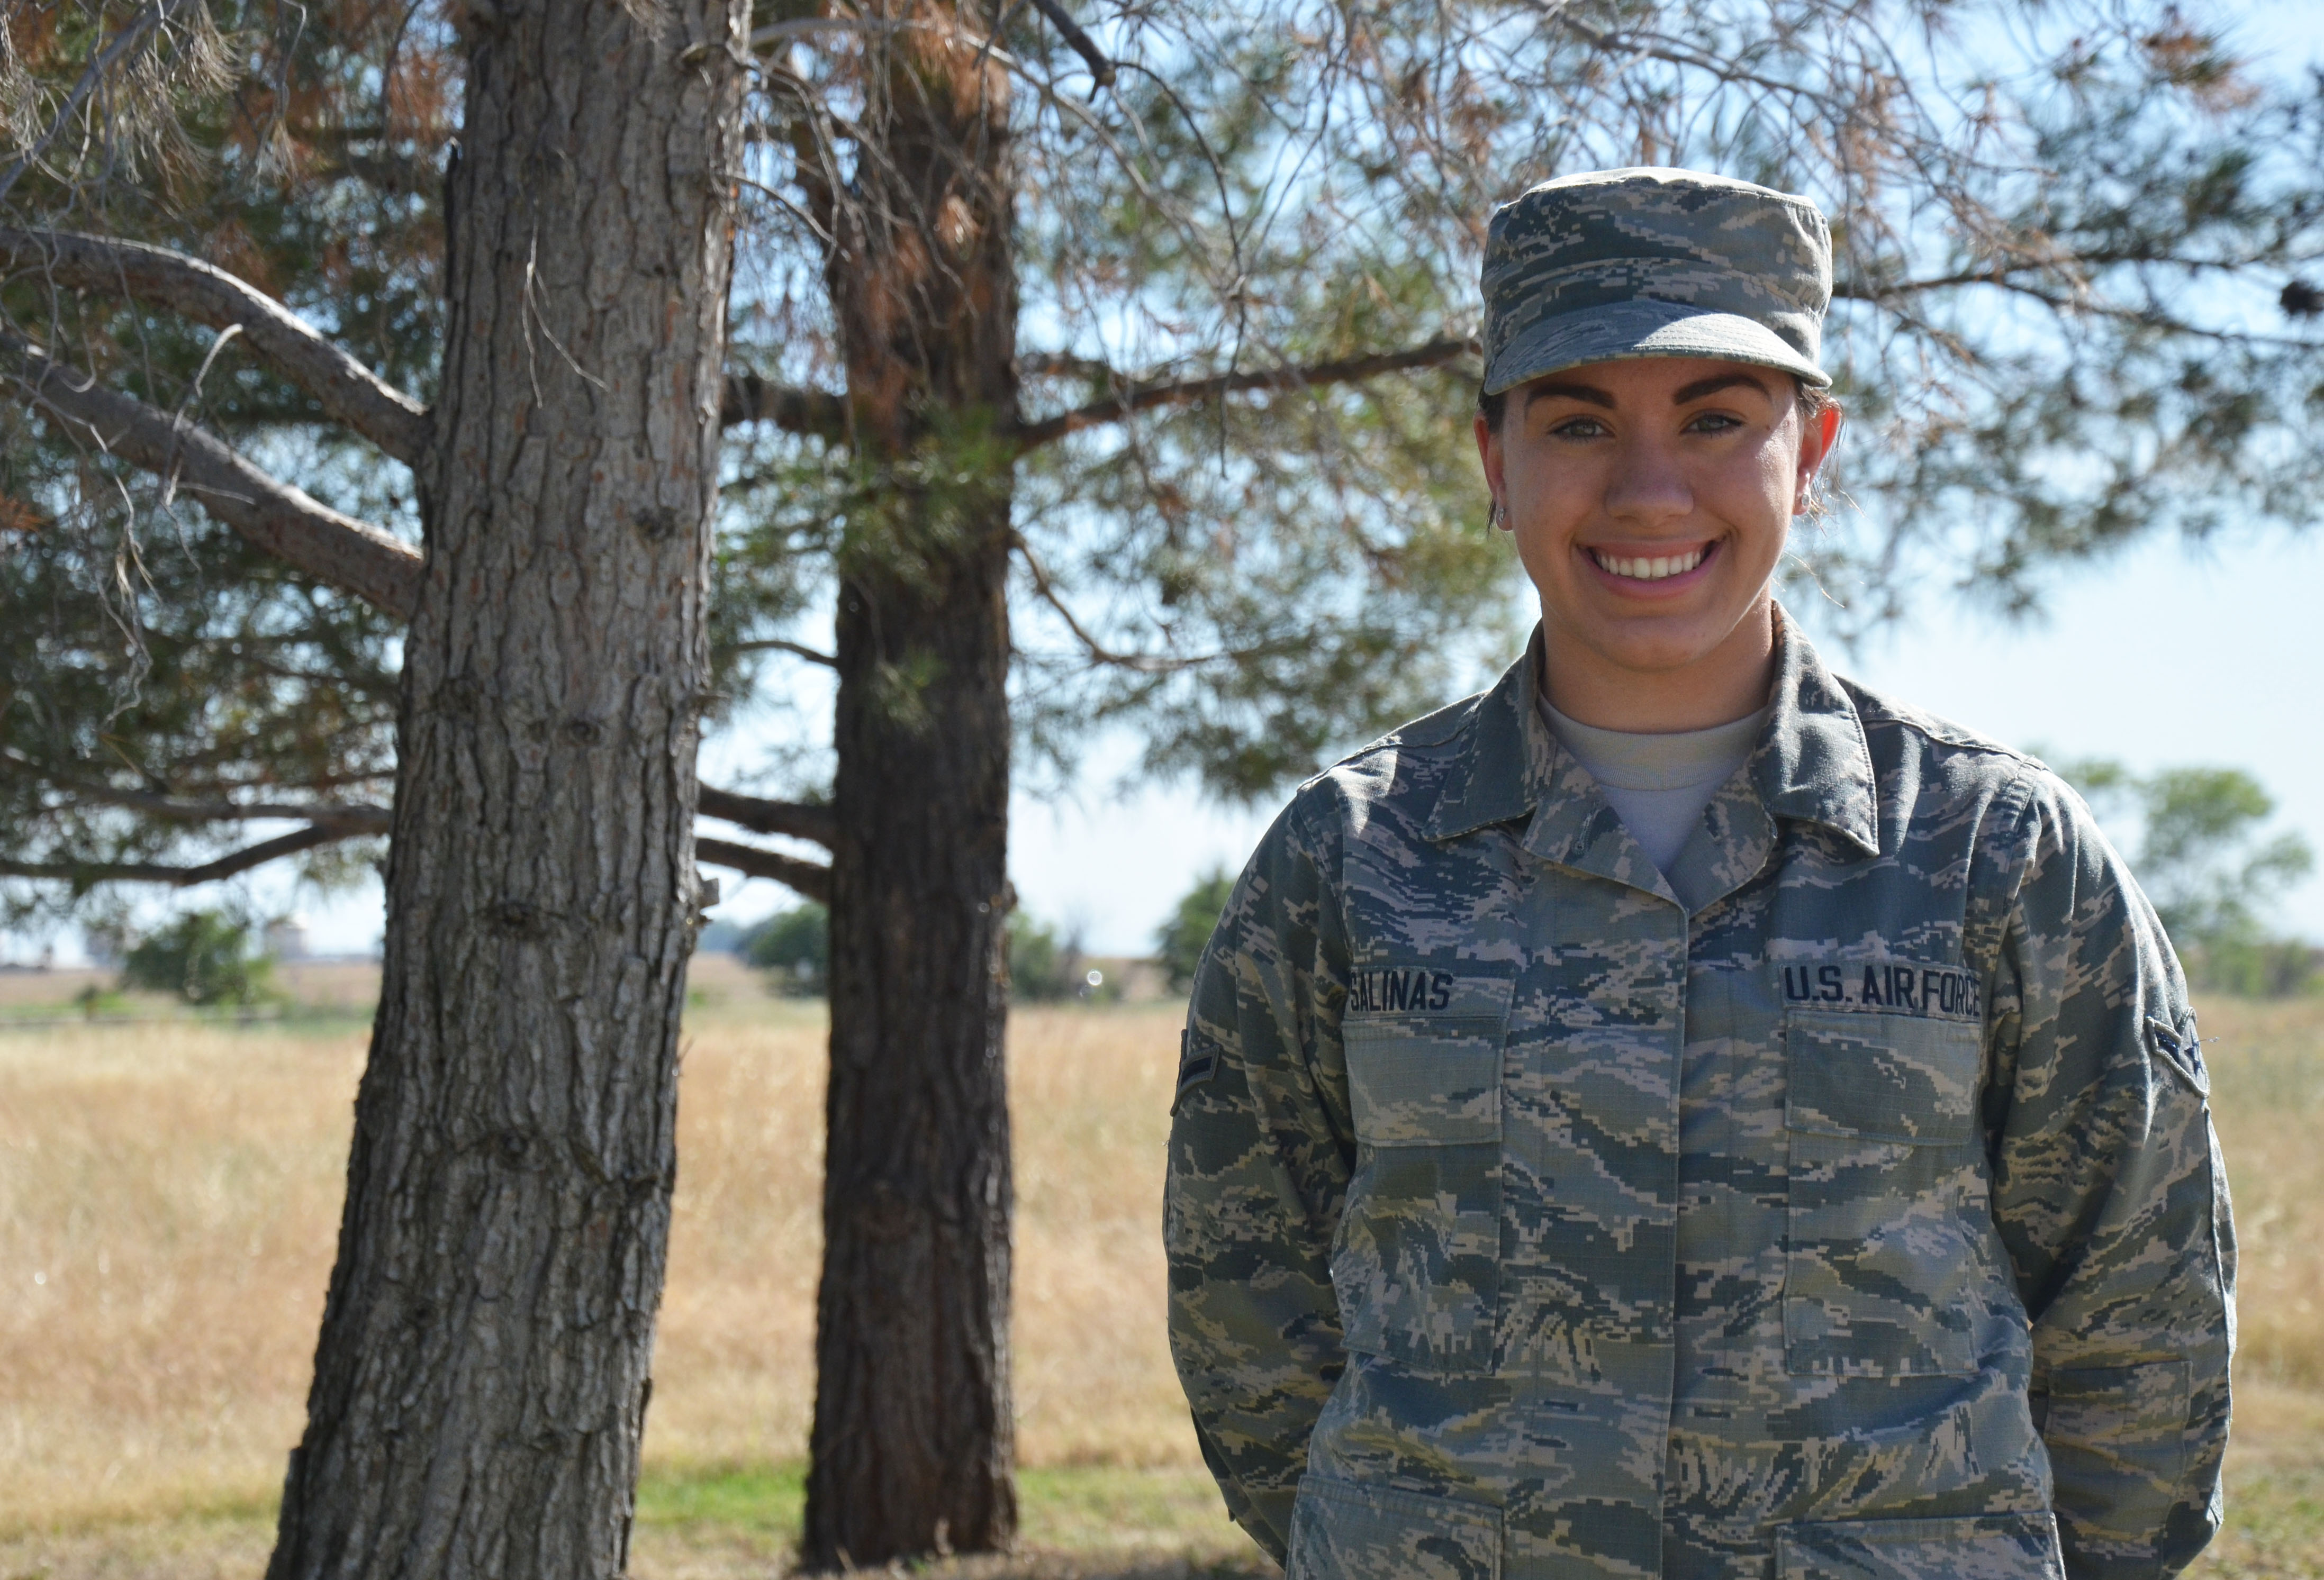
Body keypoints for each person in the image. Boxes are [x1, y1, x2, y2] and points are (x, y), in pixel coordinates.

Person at [1162, 167, 2234, 1580]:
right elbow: (1248, 1305)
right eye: (1578, 422)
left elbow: (2141, 1325)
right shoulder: (1350, 858)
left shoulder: (1996, 852)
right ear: (1495, 460)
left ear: (1815, 449)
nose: (1648, 488)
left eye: (1716, 419)